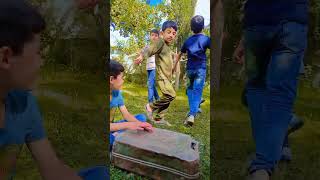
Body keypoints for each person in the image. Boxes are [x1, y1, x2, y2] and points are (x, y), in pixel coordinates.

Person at [0, 0, 108, 179]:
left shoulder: (24, 102)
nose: (41, 61)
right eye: (37, 52)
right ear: (5, 58)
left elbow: (51, 168)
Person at [233, 0, 309, 179]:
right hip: (292, 21)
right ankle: (265, 162)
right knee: (278, 95)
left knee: (257, 91)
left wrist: (245, 38)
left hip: (257, 22)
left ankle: (266, 160)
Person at [135, 21, 178, 125]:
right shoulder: (160, 42)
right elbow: (150, 49)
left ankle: (159, 118)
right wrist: (142, 56)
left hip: (167, 78)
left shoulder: (167, 47)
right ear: (162, 33)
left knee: (167, 98)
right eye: (169, 32)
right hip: (161, 76)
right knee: (171, 95)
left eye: (174, 33)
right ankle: (150, 106)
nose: (171, 35)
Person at [174, 15, 210, 126]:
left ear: (191, 28)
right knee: (197, 91)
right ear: (203, 27)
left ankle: (196, 105)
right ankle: (192, 114)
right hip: (200, 69)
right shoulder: (206, 39)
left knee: (190, 89)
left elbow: (179, 54)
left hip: (190, 70)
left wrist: (173, 67)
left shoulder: (188, 40)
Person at [109, 60, 153, 150]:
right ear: (111, 79)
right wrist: (128, 125)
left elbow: (126, 115)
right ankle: (115, 137)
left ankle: (117, 136)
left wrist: (140, 124)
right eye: (121, 77)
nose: (123, 80)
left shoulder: (117, 93)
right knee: (111, 139)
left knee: (141, 118)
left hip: (113, 127)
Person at [138, 29, 160, 105]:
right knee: (152, 85)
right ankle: (158, 99)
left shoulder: (159, 46)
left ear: (158, 37)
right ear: (150, 36)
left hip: (155, 68)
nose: (154, 37)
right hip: (148, 68)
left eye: (156, 35)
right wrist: (140, 56)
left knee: (150, 84)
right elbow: (142, 51)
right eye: (152, 35)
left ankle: (150, 102)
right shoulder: (147, 46)